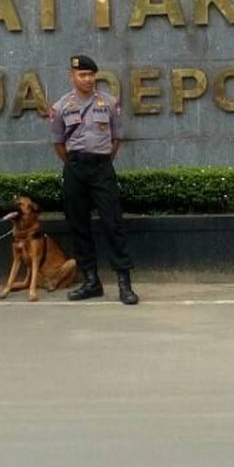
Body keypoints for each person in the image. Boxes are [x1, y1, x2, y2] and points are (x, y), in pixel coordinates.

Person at [49, 55, 138, 305]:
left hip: (101, 168)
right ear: (72, 76)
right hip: (75, 167)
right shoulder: (61, 106)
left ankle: (124, 283)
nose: (87, 79)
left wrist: (103, 159)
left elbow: (116, 137)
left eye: (91, 75)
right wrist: (74, 164)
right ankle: (91, 281)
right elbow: (58, 143)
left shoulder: (109, 102)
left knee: (113, 223)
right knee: (79, 225)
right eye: (82, 75)